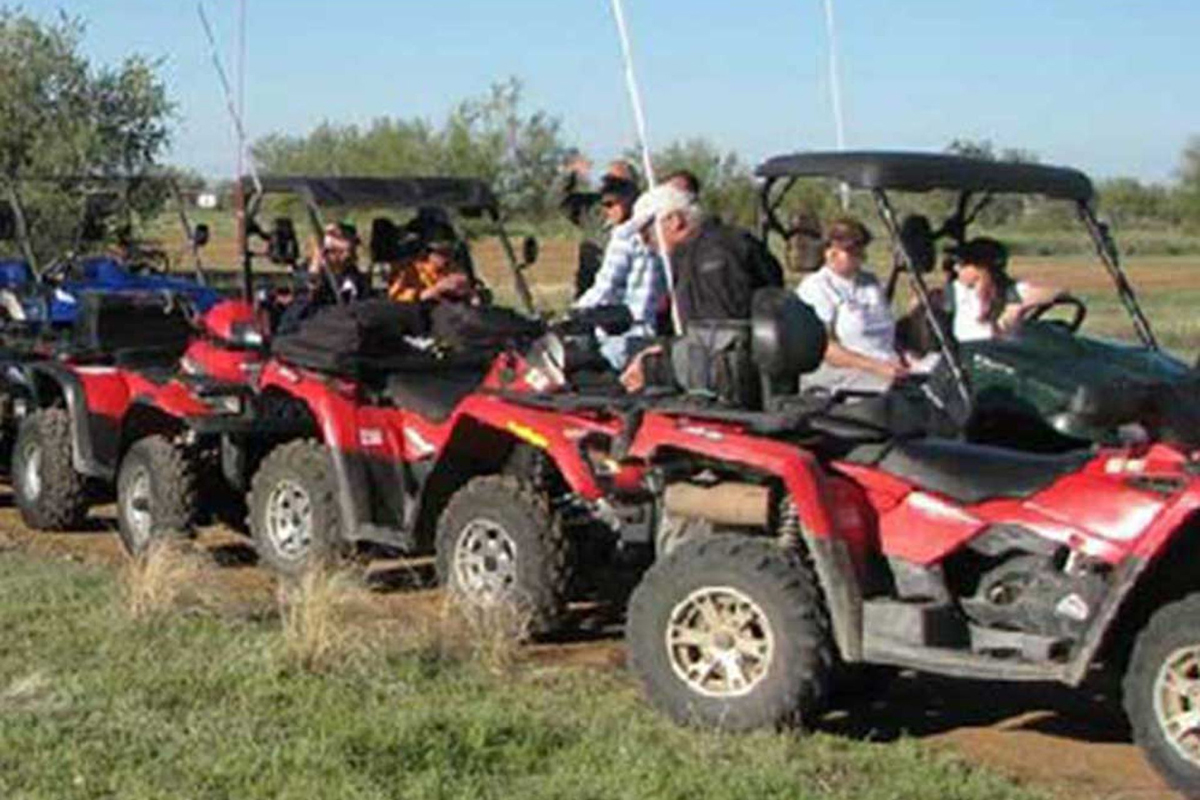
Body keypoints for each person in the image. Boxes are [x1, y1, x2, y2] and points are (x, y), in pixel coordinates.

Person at [619, 184, 783, 391]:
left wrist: (653, 368)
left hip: (737, 393)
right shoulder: (725, 243)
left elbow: (721, 342)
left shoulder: (712, 259)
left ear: (675, 221)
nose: (644, 242)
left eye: (647, 232)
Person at [796, 217, 907, 392]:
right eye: (851, 251)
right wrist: (877, 367)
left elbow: (886, 334)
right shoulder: (817, 286)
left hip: (886, 364)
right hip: (842, 372)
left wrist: (904, 357)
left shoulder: (870, 282)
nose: (860, 257)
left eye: (860, 249)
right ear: (830, 252)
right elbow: (826, 349)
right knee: (896, 390)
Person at [574, 170, 666, 369]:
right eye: (603, 204)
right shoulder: (658, 236)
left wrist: (573, 315)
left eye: (610, 204)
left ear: (629, 200)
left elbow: (605, 287)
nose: (606, 211)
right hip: (650, 331)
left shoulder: (624, 237)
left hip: (622, 337)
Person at [946, 237, 1063, 342]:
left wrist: (1016, 309)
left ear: (981, 268)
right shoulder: (957, 290)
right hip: (967, 357)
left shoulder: (1010, 290)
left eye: (963, 264)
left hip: (1004, 356)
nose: (956, 268)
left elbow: (1057, 292)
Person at [277, 222, 368, 333]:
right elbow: (293, 320)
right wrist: (315, 270)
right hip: (311, 336)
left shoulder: (356, 278)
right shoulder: (304, 275)